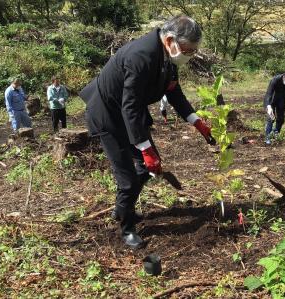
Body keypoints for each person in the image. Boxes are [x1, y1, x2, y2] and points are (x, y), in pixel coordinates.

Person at [79, 15, 215, 249]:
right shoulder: (141, 56)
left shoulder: (168, 57)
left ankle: (122, 209)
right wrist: (146, 149)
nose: (190, 54)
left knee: (145, 169)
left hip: (130, 114)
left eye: (194, 51)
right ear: (170, 40)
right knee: (129, 179)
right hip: (109, 115)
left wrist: (196, 122)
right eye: (188, 50)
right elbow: (128, 105)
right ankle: (127, 227)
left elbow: (174, 92)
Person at [264, 71, 285, 145]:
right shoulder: (275, 79)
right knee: (271, 118)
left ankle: (276, 132)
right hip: (272, 99)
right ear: (284, 77)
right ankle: (267, 137)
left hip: (282, 99)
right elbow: (269, 93)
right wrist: (268, 106)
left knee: (281, 118)